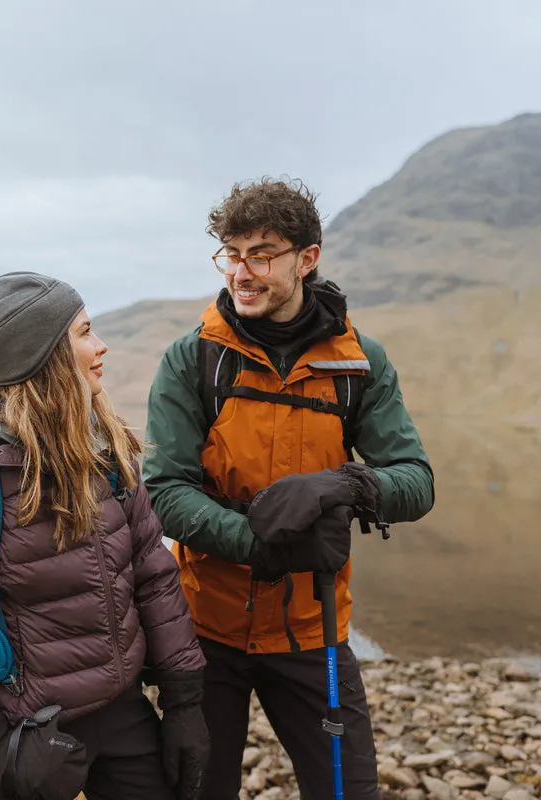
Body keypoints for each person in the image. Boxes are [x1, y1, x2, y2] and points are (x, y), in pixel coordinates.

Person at [142, 179, 435, 800]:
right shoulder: (193, 360)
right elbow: (165, 491)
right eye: (231, 253)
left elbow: (416, 482)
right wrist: (260, 544)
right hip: (205, 632)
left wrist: (345, 484)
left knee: (348, 791)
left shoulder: (359, 364)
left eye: (263, 254)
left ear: (308, 258)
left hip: (313, 628)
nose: (241, 272)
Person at [0, 272, 210, 800]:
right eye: (84, 333)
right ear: (43, 356)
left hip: (123, 716)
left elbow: (153, 573)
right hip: (17, 731)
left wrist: (185, 699)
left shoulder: (105, 450)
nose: (101, 347)